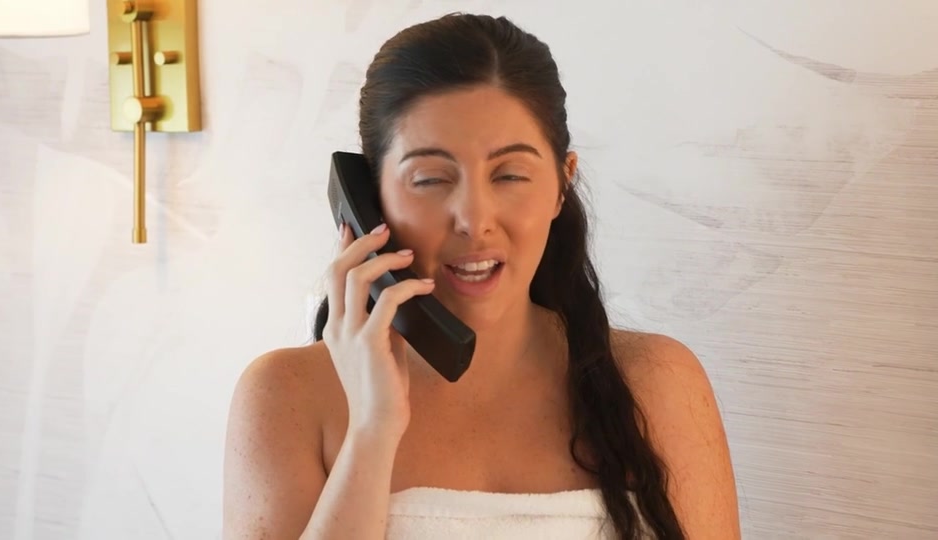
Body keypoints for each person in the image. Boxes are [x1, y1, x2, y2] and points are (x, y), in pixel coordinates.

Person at [222, 12, 739, 540]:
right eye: (430, 178)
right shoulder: (285, 396)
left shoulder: (658, 381)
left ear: (562, 185)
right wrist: (372, 429)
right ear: (368, 200)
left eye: (509, 175)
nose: (474, 220)